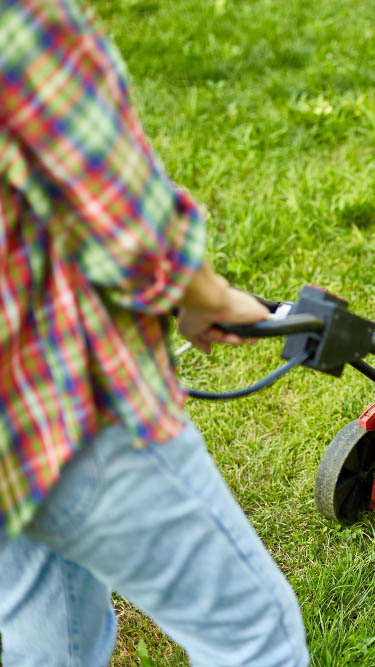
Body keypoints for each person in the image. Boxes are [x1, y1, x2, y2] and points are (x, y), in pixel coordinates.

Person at [0, 1, 309, 664]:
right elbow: (133, 229)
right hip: (66, 405)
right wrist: (208, 296)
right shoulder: (23, 26)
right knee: (256, 633)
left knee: (53, 644)